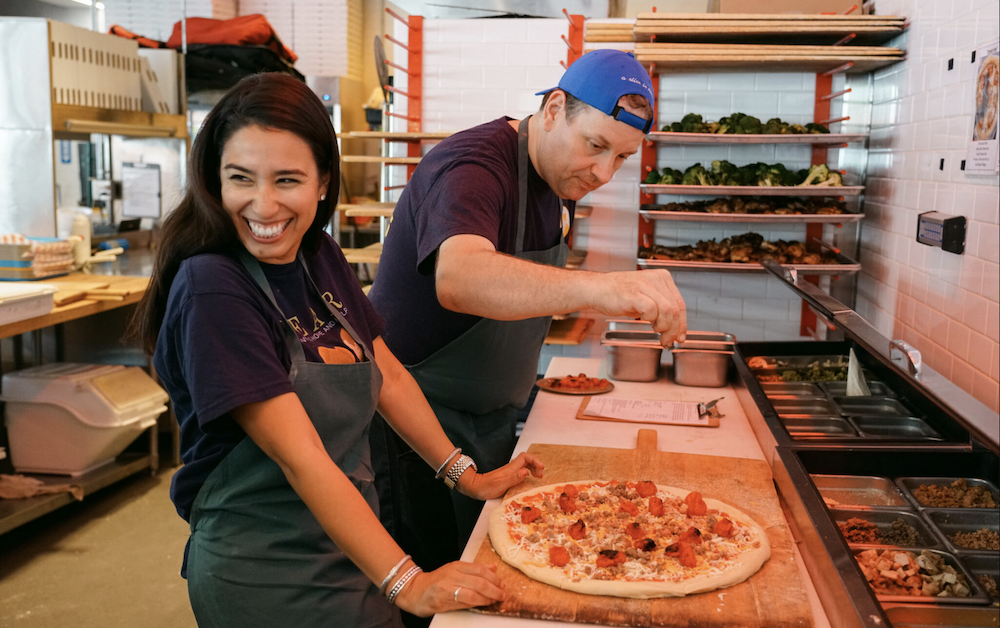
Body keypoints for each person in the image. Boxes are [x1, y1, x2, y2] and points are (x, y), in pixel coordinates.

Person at [127, 72, 544, 628]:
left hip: (349, 546)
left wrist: (465, 476)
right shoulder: (215, 288)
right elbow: (301, 459)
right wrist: (409, 582)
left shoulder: (316, 254)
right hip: (264, 570)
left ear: (324, 181)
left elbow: (387, 377)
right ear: (213, 180)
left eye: (287, 180)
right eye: (241, 179)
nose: (264, 204)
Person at [367, 49, 688, 593]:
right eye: (596, 146)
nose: (604, 173)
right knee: (436, 597)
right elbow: (461, 277)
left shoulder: (558, 184)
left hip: (489, 426)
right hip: (414, 434)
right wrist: (605, 287)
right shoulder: (473, 165)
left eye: (623, 158)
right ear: (555, 108)